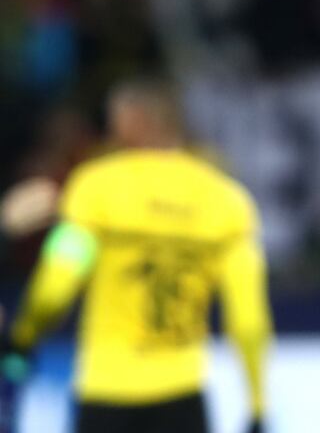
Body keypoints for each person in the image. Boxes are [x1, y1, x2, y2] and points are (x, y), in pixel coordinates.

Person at [0, 77, 273, 433]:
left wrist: (24, 337)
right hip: (182, 393)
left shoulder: (95, 188)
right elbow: (249, 318)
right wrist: (256, 405)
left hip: (106, 392)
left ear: (128, 123)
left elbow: (58, 280)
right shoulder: (227, 202)